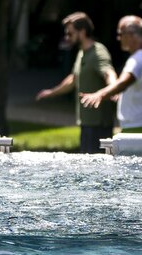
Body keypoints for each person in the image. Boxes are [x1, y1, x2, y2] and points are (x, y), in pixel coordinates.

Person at [35, 12, 117, 153]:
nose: (68, 37)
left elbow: (108, 72)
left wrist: (114, 88)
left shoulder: (98, 52)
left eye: (70, 33)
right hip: (86, 123)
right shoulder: (81, 53)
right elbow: (73, 79)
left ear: (83, 32)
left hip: (98, 125)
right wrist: (51, 93)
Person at [80, 15, 142, 132]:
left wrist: (99, 94)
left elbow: (123, 83)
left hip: (135, 128)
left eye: (120, 33)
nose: (119, 38)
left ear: (131, 35)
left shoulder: (136, 60)